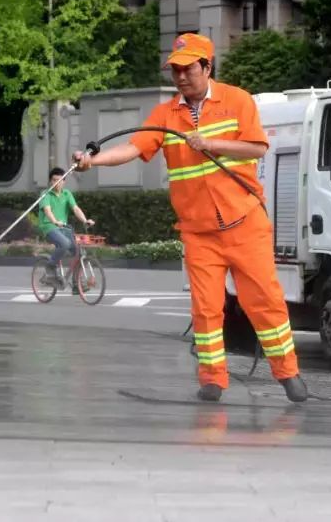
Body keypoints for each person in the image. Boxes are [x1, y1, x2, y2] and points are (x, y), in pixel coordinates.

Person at [72, 32, 307, 403]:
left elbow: (257, 148)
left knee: (265, 303)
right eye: (175, 70)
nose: (180, 77)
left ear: (207, 67)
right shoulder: (165, 115)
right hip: (198, 233)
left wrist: (211, 143)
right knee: (206, 309)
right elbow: (134, 147)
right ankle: (212, 380)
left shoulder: (237, 101)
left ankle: (288, 374)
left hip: (245, 224)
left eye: (188, 69)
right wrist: (93, 160)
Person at [38, 167, 94, 288]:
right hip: (49, 227)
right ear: (50, 182)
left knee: (79, 252)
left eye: (60, 180)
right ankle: (50, 267)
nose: (57, 183)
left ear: (64, 181)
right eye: (54, 180)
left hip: (63, 228)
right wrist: (55, 221)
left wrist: (85, 221)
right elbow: (47, 210)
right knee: (64, 243)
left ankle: (76, 284)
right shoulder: (45, 194)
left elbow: (76, 209)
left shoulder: (67, 193)